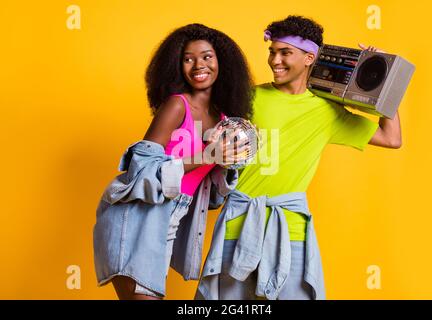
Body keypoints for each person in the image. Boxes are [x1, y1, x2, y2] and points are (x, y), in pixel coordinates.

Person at [195, 15, 402, 300]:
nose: (274, 60)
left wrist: (386, 82)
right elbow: (207, 139)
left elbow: (392, 139)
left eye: (285, 52)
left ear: (309, 58)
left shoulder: (327, 111)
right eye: (272, 51)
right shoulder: (247, 98)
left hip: (289, 231)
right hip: (238, 226)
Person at [93, 23, 254, 300]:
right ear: (177, 65)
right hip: (136, 218)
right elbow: (141, 171)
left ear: (221, 62)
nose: (197, 66)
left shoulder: (224, 120)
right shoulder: (177, 105)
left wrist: (230, 161)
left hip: (171, 221)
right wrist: (207, 155)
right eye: (188, 59)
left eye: (206, 56)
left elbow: (211, 195)